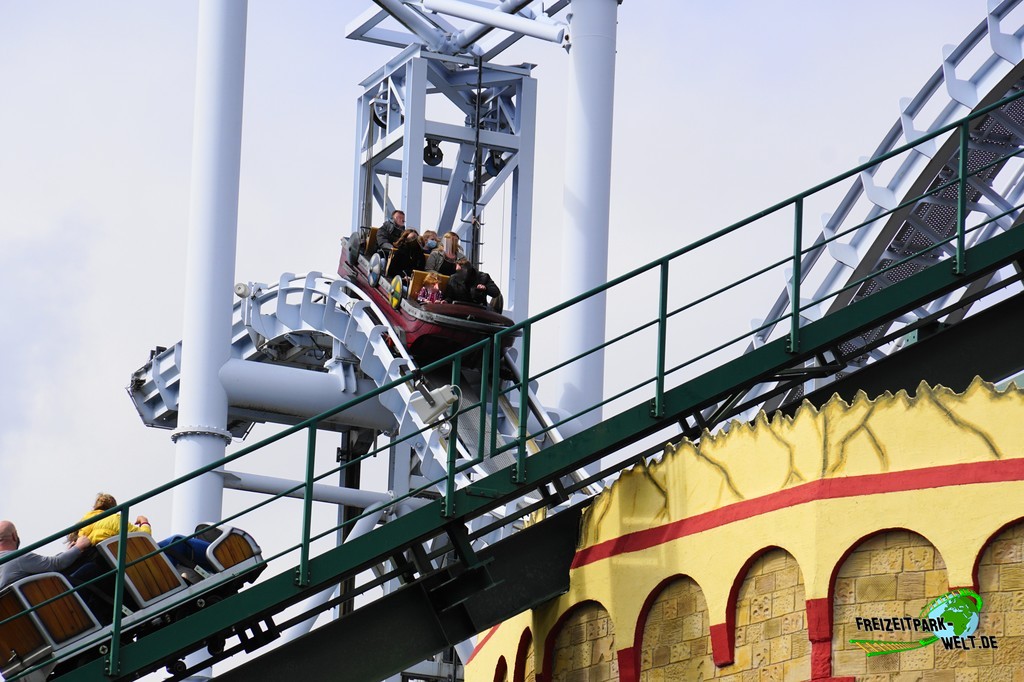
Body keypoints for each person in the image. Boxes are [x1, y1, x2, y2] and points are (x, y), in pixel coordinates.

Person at [0, 520, 91, 589]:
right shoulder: (17, 558)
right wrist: (79, 546)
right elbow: (56, 564)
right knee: (90, 568)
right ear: (14, 536)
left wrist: (69, 552)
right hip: (50, 603)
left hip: (23, 610)